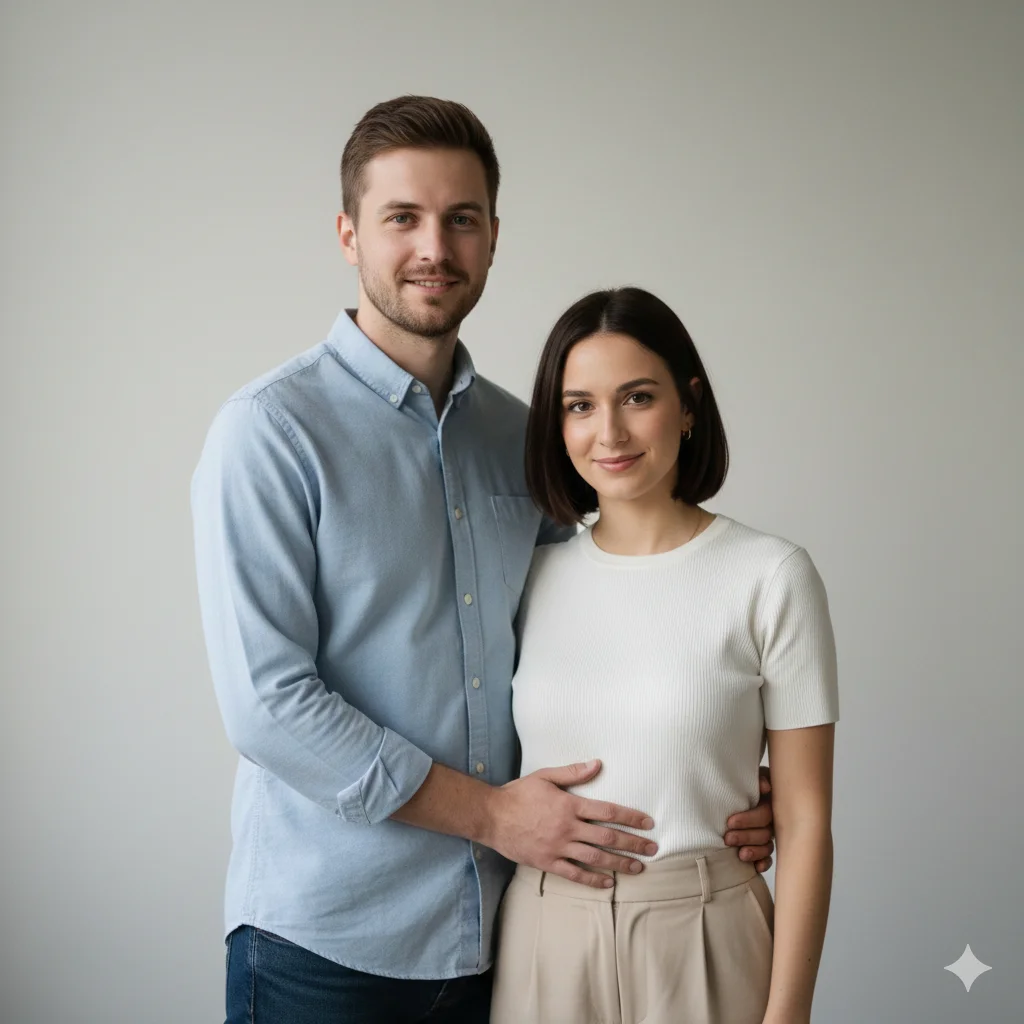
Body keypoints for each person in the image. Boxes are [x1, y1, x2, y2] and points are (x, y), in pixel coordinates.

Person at [191, 96, 775, 1024]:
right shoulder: (269, 433)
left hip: (502, 939)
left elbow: (600, 631)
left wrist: (724, 771)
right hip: (324, 946)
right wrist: (496, 817)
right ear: (348, 234)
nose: (436, 246)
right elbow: (269, 707)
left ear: (494, 237)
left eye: (462, 219)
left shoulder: (526, 436)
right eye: (402, 218)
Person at [490, 287, 838, 1024]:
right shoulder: (529, 577)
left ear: (688, 404)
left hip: (707, 935)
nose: (608, 432)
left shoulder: (771, 576)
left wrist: (789, 1016)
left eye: (636, 397)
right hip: (544, 939)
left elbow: (805, 822)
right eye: (579, 405)